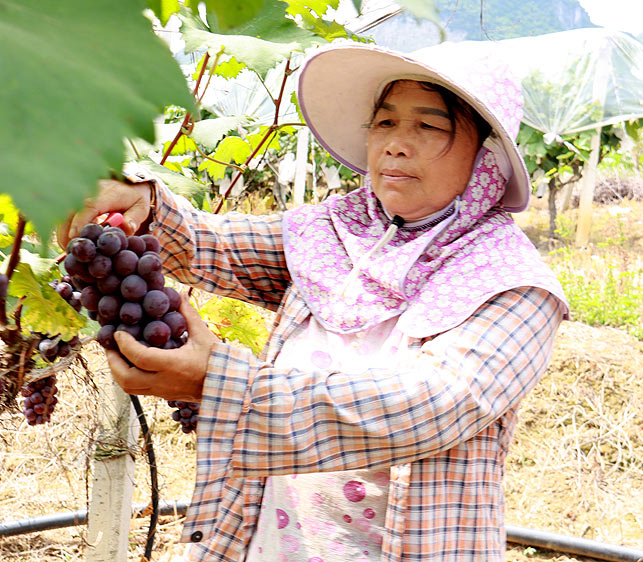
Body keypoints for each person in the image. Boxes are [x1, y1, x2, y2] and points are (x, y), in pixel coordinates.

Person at [60, 42, 569, 562]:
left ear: (487, 155)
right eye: (385, 122)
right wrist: (144, 204)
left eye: (429, 127)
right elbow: (215, 244)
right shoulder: (337, 231)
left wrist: (222, 382)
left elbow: (428, 406)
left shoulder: (514, 286)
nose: (395, 144)